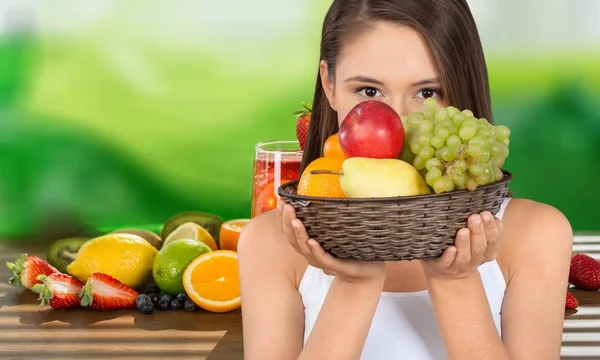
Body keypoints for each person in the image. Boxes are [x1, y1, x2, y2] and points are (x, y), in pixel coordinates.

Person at [237, 0, 573, 359]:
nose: (395, 122)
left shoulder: (537, 235)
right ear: (329, 84)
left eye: (428, 93)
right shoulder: (270, 244)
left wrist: (456, 280)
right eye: (368, 91)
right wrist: (355, 283)